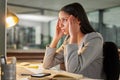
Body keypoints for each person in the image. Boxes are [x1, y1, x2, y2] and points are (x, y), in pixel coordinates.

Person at [43, 2, 104, 79]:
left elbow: (73, 71)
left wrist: (73, 36)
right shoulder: (69, 40)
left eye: (64, 20)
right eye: (59, 20)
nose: (60, 25)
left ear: (78, 20)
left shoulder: (94, 39)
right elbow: (47, 64)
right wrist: (56, 39)